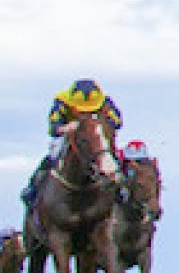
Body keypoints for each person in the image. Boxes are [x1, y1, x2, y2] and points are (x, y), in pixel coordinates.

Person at [21, 78, 122, 208]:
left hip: (95, 135)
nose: (86, 112)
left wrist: (100, 123)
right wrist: (67, 127)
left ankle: (121, 189)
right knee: (54, 153)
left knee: (109, 153)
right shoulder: (62, 100)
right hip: (70, 135)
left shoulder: (105, 102)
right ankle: (33, 187)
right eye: (82, 110)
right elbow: (53, 127)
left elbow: (117, 121)